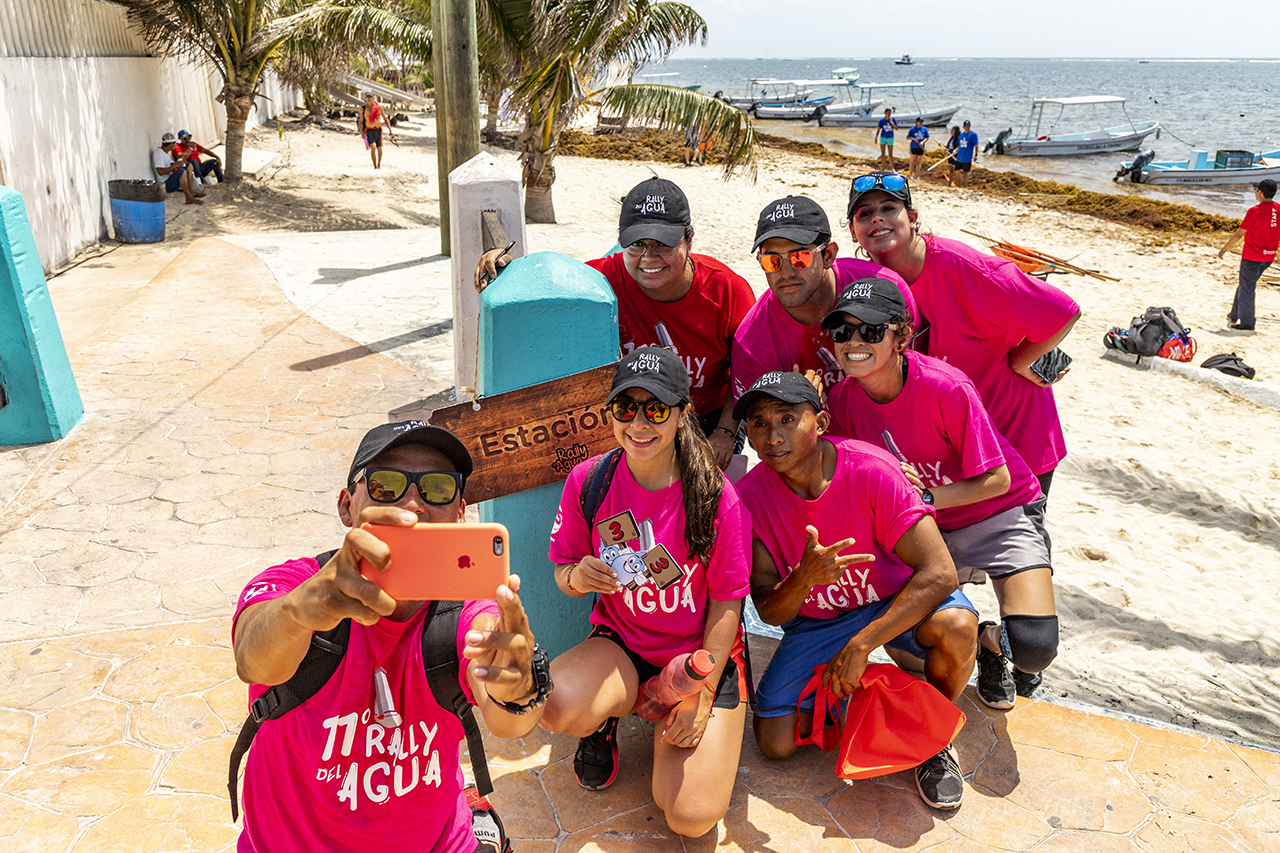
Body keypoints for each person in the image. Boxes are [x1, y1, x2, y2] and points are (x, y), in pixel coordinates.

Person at [232, 420, 549, 852]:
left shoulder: (468, 613)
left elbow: (510, 721)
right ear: (347, 507)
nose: (414, 504)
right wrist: (300, 610)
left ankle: (470, 816)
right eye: (386, 485)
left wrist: (518, 687)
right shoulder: (298, 586)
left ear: (459, 511)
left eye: (437, 488)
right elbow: (253, 658)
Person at [733, 371, 978, 810]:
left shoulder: (872, 469)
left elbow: (940, 574)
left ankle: (932, 738)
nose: (773, 436)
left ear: (821, 423)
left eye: (788, 419)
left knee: (958, 626)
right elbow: (769, 611)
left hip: (894, 598)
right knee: (775, 742)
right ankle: (878, 697)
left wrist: (862, 645)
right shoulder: (747, 496)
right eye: (758, 423)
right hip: (821, 621)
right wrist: (803, 578)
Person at [541, 346, 751, 837]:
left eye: (655, 409)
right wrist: (577, 578)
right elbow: (562, 574)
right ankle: (604, 720)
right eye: (625, 407)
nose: (638, 422)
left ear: (681, 415)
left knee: (689, 816)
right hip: (624, 644)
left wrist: (698, 692)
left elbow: (727, 604)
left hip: (698, 657)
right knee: (554, 706)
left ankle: (671, 710)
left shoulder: (717, 496)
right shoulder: (590, 480)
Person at [821, 277, 1059, 707]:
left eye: (871, 331)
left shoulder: (945, 386)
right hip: (921, 531)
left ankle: (992, 642)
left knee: (1034, 647)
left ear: (902, 336)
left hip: (995, 514)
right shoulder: (840, 401)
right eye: (843, 331)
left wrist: (925, 497)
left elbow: (999, 480)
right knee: (913, 645)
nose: (854, 341)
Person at [475, 178, 756, 468]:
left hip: (709, 416)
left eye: (663, 245)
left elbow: (746, 375)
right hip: (638, 415)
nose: (649, 258)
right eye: (636, 245)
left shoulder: (728, 292)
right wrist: (508, 266)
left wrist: (725, 432)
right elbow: (547, 286)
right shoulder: (600, 281)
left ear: (689, 239)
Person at [846, 171, 1080, 501]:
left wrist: (1019, 360)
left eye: (889, 208)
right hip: (956, 448)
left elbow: (1062, 311)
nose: (877, 218)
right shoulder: (868, 282)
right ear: (854, 233)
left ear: (912, 219)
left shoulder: (962, 266)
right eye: (864, 214)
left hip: (1016, 434)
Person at [731, 195, 916, 399]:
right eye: (772, 261)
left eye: (800, 258)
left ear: (828, 255)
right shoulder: (752, 344)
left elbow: (916, 379)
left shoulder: (887, 290)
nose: (786, 273)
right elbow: (759, 426)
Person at [1218, 178, 1278, 331]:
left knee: (1247, 288)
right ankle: (1234, 314)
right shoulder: (1278, 209)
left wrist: (1225, 248)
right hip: (1269, 256)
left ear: (1260, 192)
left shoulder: (1255, 211)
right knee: (1246, 284)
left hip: (1253, 256)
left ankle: (1247, 323)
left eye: (1256, 190)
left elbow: (1239, 234)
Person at [152, 131, 202, 205]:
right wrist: (175, 165)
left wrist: (176, 165)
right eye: (174, 143)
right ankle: (188, 197)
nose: (175, 145)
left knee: (189, 166)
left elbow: (171, 166)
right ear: (171, 144)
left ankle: (191, 191)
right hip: (165, 183)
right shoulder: (158, 153)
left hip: (170, 177)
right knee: (182, 172)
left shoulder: (165, 153)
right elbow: (160, 172)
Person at [362, 93, 396, 169]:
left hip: (378, 129)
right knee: (373, 147)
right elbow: (360, 121)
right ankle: (374, 166)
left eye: (370, 97)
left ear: (373, 98)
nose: (368, 98)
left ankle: (379, 164)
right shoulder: (363, 108)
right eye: (367, 97)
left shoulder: (379, 108)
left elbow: (385, 119)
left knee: (379, 148)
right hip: (369, 130)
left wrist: (390, 130)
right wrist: (362, 132)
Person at [952, 121, 979, 187]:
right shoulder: (961, 135)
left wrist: (976, 155)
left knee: (965, 172)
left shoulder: (973, 135)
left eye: (968, 126)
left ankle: (965, 186)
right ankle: (958, 185)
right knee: (956, 171)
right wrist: (955, 150)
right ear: (963, 127)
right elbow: (960, 145)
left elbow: (976, 145)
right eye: (966, 126)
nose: (967, 128)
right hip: (959, 156)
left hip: (967, 157)